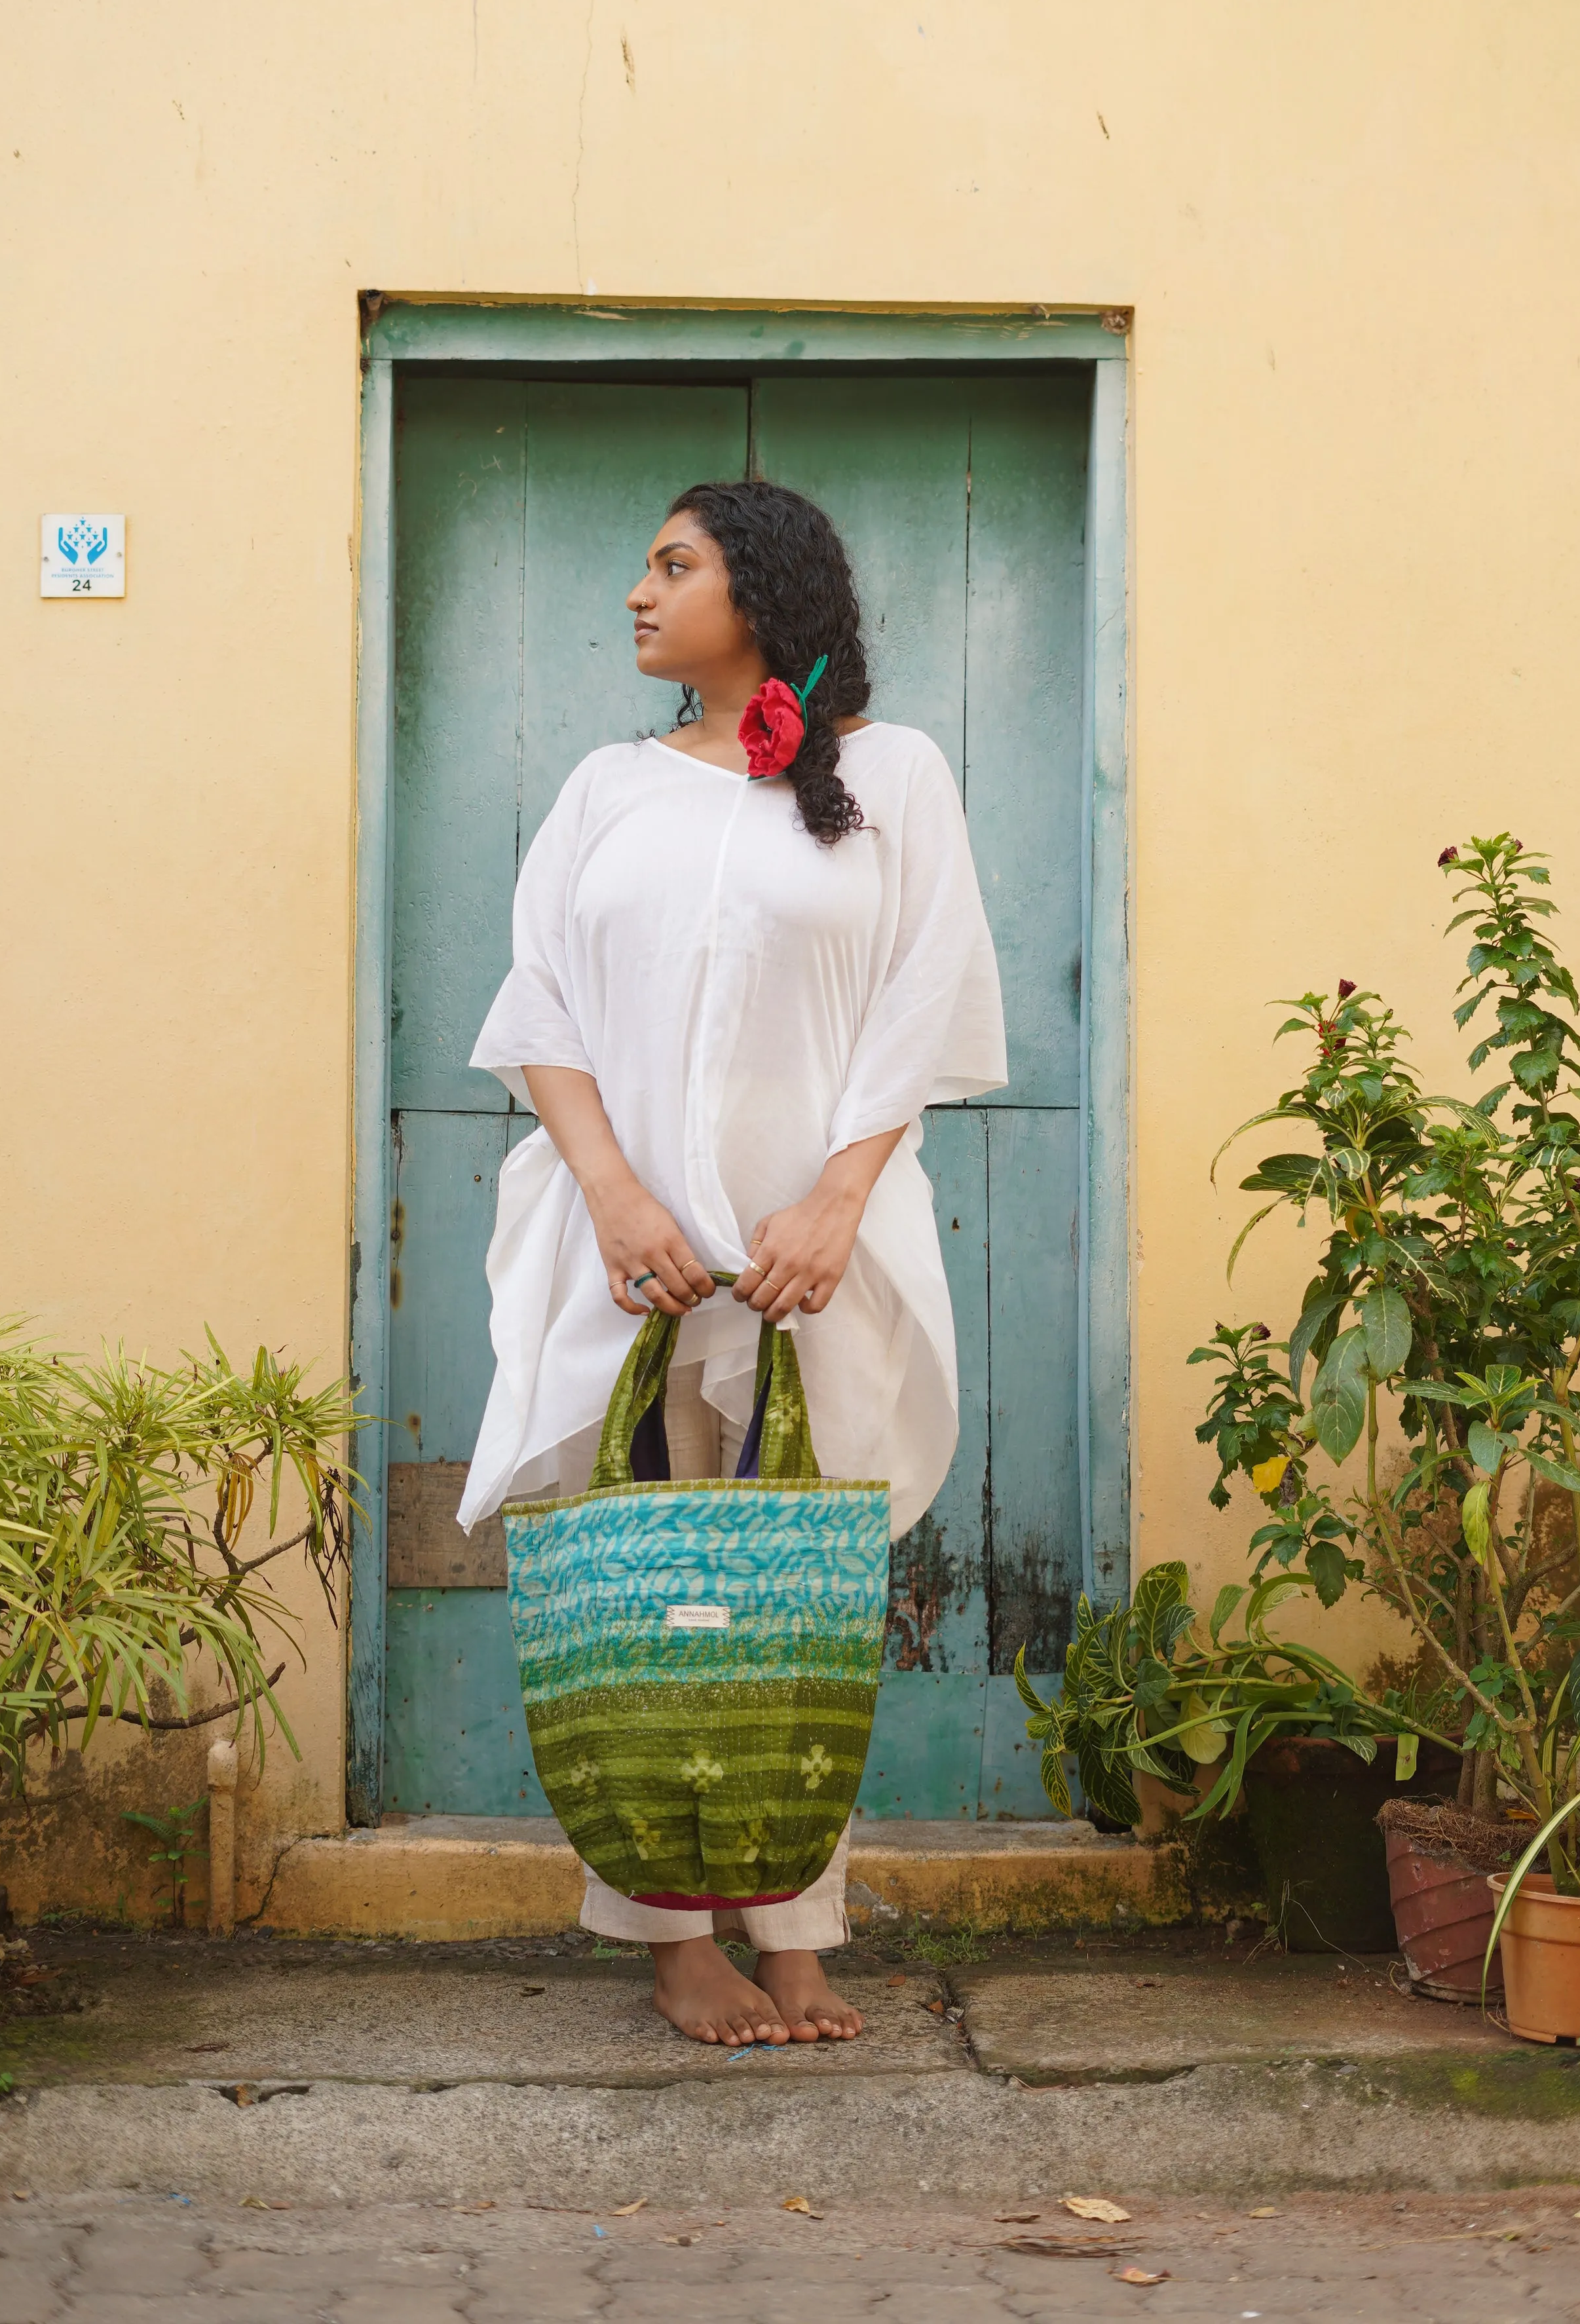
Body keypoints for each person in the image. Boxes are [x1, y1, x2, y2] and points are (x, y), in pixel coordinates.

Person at [459, 479, 1006, 2046]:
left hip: (809, 1262)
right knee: (657, 1601)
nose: (638, 592)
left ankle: (797, 1930)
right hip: (637, 1258)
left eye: (672, 565)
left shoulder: (893, 774)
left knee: (797, 1608)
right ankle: (670, 1937)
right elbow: (543, 1014)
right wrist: (619, 1198)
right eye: (645, 564)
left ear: (758, 593)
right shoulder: (603, 790)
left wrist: (836, 1203)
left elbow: (919, 1002)